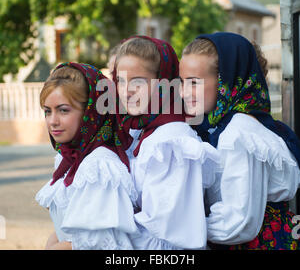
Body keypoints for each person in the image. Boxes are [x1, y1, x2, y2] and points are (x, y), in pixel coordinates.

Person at [179, 31, 300, 250]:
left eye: (194, 83)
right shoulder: (224, 126)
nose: (184, 92)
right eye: (182, 82)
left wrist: (180, 230)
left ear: (227, 81)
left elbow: (238, 223)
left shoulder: (239, 134)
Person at [113, 35, 220, 249]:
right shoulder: (140, 133)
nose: (126, 91)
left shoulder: (171, 141)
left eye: (138, 81)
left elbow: (163, 235)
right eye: (120, 81)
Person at [36, 62, 137, 250]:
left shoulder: (100, 166)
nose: (52, 121)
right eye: (48, 111)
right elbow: (73, 229)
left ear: (91, 112)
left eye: (63, 110)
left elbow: (102, 243)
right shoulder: (69, 160)